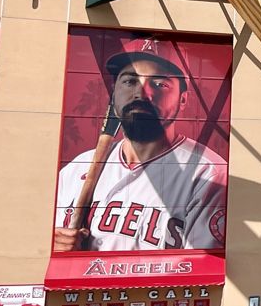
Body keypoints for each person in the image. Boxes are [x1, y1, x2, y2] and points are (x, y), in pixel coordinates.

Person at [54, 37, 228, 252]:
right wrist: (54, 251)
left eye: (159, 84)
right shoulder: (77, 168)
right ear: (113, 92)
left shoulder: (208, 174)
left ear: (183, 99)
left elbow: (201, 272)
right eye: (130, 81)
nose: (141, 93)